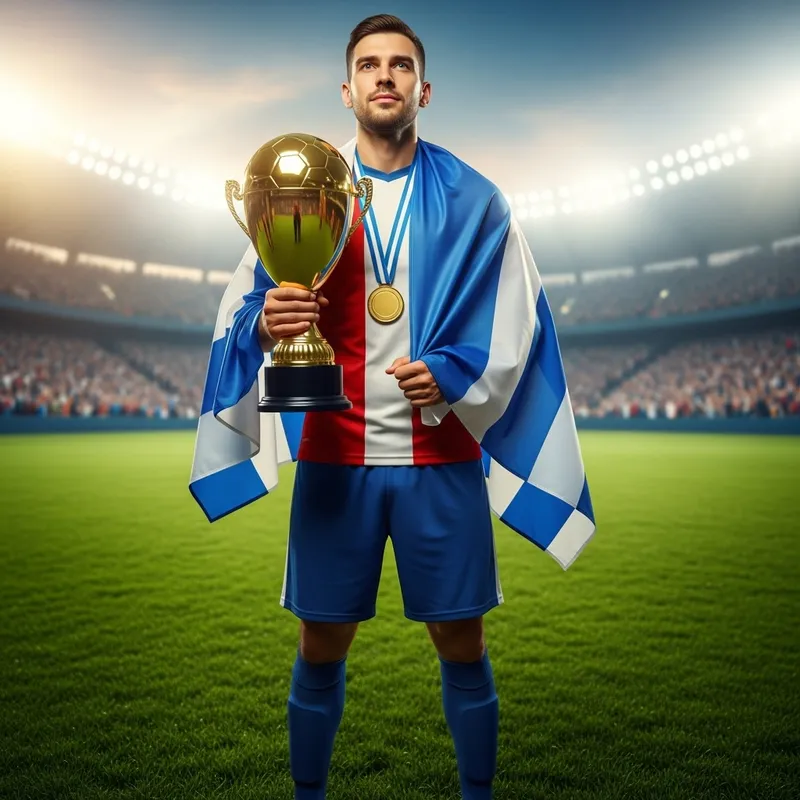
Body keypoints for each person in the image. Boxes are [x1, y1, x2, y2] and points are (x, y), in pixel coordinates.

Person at [190, 13, 594, 800]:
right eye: (370, 65)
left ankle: (477, 794)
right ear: (346, 90)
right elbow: (240, 310)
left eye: (401, 65)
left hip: (438, 456)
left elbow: (517, 319)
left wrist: (451, 373)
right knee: (319, 643)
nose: (385, 76)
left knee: (463, 641)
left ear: (423, 88)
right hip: (335, 454)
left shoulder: (477, 198)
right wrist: (268, 321)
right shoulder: (295, 180)